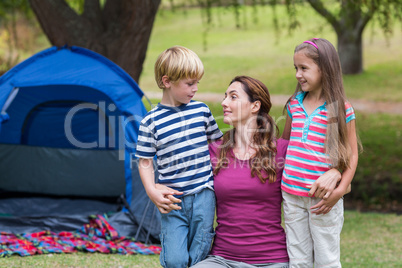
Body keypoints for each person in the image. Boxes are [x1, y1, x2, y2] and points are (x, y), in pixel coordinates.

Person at [135, 45, 223, 268]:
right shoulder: (151, 122)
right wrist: (152, 190)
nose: (195, 89)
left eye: (197, 83)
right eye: (189, 83)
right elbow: (144, 161)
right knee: (176, 259)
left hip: (204, 196)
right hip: (173, 200)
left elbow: (218, 147)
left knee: (200, 253)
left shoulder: (201, 111)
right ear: (167, 82)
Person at [193, 75, 290, 268]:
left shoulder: (281, 150)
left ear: (255, 106)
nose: (224, 103)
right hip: (222, 259)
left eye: (233, 97)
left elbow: (317, 169)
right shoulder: (214, 150)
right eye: (225, 96)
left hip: (271, 261)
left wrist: (336, 174)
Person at [281, 38, 360, 267]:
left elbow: (352, 155)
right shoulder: (294, 104)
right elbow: (284, 145)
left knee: (326, 260)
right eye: (296, 68)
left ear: (325, 69)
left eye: (304, 68)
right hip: (292, 196)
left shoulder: (340, 108)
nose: (298, 74)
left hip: (323, 199)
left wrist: (341, 189)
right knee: (298, 260)